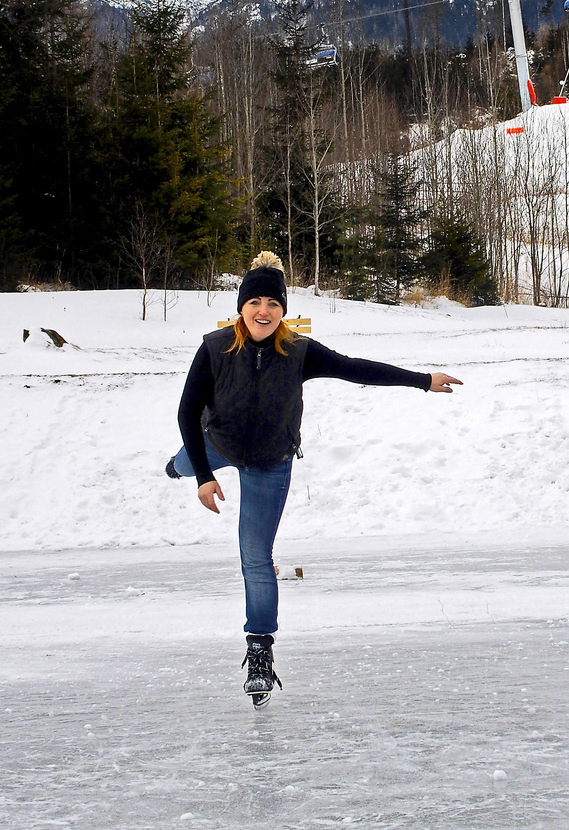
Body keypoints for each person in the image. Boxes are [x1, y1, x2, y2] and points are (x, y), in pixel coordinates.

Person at [165, 250, 462, 707]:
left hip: (270, 461)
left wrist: (423, 380)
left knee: (255, 557)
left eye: (273, 304)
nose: (263, 311)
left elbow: (357, 369)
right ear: (241, 308)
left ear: (283, 311)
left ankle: (259, 648)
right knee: (187, 463)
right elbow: (187, 411)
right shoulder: (215, 348)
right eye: (254, 303)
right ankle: (183, 466)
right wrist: (204, 476)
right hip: (218, 444)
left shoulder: (300, 352)